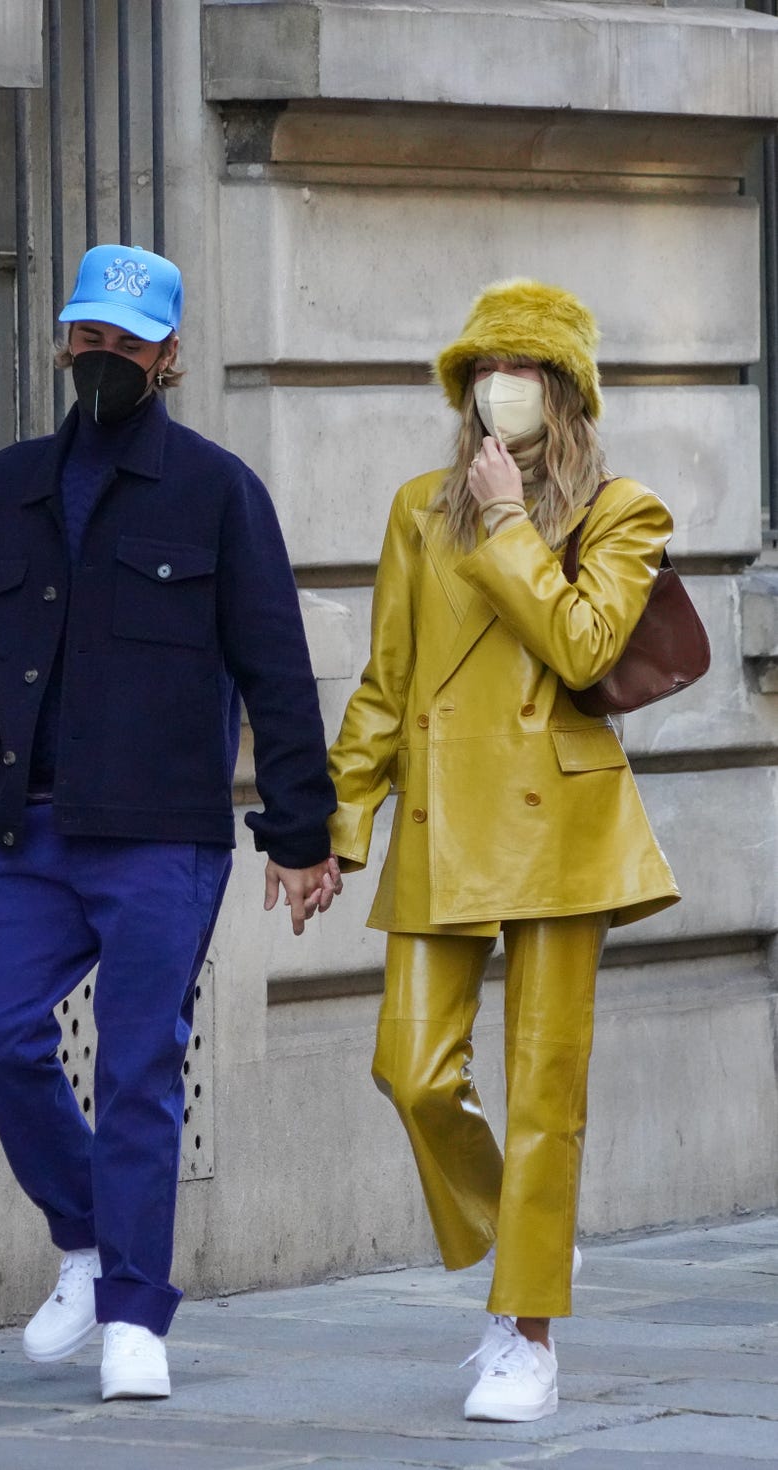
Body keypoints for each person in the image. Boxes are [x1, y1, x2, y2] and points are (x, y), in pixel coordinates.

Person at [0, 244, 340, 1402]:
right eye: (86, 338)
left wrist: (300, 833)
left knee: (142, 1062)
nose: (102, 359)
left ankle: (135, 1314)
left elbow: (276, 673)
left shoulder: (217, 492)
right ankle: (87, 1240)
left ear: (169, 356)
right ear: (64, 341)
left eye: (126, 343)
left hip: (162, 833)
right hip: (21, 833)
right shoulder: (3, 484)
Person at [326, 279, 680, 1423]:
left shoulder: (623, 512)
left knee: (544, 1092)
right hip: (441, 818)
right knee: (412, 1071)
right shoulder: (415, 509)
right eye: (480, 369)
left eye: (518, 371)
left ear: (562, 393)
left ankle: (526, 1331)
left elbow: (580, 647)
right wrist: (339, 825)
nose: (496, 390)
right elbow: (384, 679)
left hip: (558, 826)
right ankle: (530, 1233)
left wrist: (512, 524)